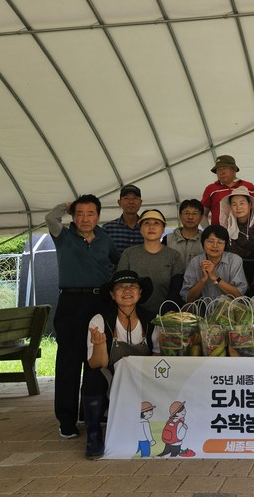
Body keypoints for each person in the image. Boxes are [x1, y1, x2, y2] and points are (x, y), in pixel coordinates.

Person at [46, 195, 120, 440]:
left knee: (96, 360)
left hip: (100, 302)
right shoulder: (62, 235)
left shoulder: (105, 239)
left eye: (90, 213)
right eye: (79, 213)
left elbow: (118, 263)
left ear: (98, 216)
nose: (85, 218)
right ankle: (66, 420)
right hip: (71, 302)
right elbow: (50, 217)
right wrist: (66, 205)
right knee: (68, 362)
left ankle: (90, 414)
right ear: (73, 216)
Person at [83, 270, 160, 459]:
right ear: (112, 294)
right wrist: (100, 345)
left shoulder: (153, 320)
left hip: (143, 376)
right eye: (120, 287)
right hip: (112, 375)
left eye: (132, 286)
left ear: (140, 293)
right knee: (92, 377)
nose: (127, 291)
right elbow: (97, 363)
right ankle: (93, 436)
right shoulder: (99, 320)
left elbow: (158, 356)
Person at [117, 209, 182, 313]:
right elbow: (120, 285)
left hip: (165, 314)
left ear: (163, 229)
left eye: (156, 223)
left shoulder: (173, 255)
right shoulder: (129, 254)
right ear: (140, 229)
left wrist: (166, 310)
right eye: (146, 223)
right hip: (134, 313)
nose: (151, 227)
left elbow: (176, 288)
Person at [218, 186, 254, 294]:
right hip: (237, 264)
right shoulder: (228, 222)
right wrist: (241, 274)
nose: (238, 207)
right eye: (234, 204)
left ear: (250, 205)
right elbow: (230, 250)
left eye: (242, 203)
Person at [180, 225, 248, 303]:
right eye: (210, 241)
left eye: (220, 242)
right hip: (202, 309)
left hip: (229, 309)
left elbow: (239, 296)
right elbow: (188, 298)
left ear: (225, 245)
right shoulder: (195, 262)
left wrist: (215, 278)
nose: (215, 246)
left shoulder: (235, 260)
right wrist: (203, 280)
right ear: (203, 243)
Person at [201, 155, 254, 225]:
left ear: (234, 169)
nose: (221, 172)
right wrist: (208, 229)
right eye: (218, 170)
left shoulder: (248, 187)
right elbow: (202, 213)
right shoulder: (211, 189)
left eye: (224, 168)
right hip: (219, 231)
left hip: (246, 230)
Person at [164, 199, 204, 274]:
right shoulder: (168, 239)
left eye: (194, 213)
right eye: (186, 213)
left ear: (201, 217)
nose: (190, 217)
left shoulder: (206, 240)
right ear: (180, 215)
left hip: (199, 281)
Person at [103, 185, 145, 254]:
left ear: (140, 202)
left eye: (135, 198)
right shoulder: (108, 228)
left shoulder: (147, 227)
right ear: (119, 202)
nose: (131, 202)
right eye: (126, 198)